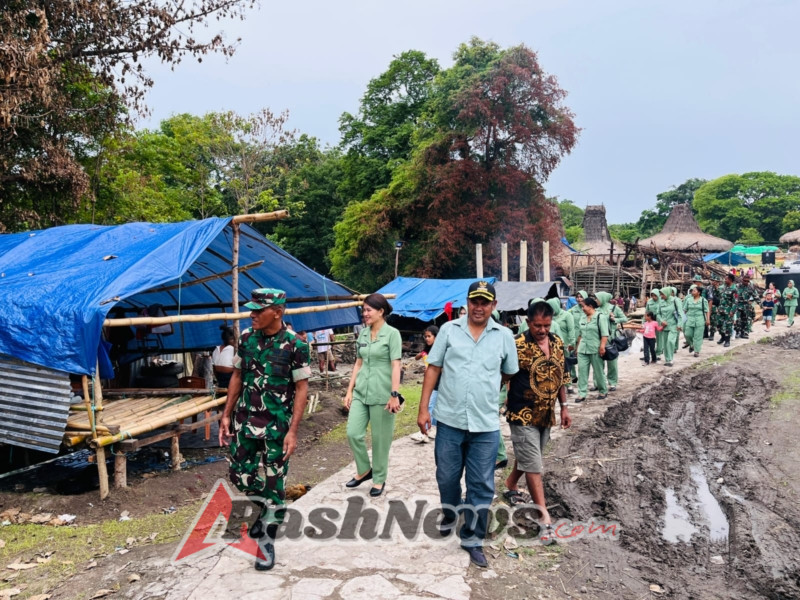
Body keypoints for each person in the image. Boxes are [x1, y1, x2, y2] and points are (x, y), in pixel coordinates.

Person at [417, 280, 518, 569]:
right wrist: (424, 409)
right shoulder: (449, 331)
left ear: (494, 306)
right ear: (467, 302)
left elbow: (509, 372)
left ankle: (472, 538)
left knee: (482, 485)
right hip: (449, 420)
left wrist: (486, 389)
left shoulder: (504, 336)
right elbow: (434, 368)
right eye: (475, 301)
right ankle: (450, 512)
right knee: (447, 477)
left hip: (485, 424)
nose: (479, 307)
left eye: (485, 302)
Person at [218, 288, 311, 571]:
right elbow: (237, 375)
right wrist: (226, 415)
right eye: (252, 309)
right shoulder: (246, 338)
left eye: (259, 310)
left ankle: (267, 542)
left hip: (277, 428)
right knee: (239, 474)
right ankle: (269, 506)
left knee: (275, 484)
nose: (252, 314)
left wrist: (293, 431)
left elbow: (301, 389)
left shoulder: (296, 345)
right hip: (245, 423)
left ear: (278, 312)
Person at [503, 301, 572, 545]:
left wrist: (564, 407)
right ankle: (545, 519)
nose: (542, 330)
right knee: (534, 465)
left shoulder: (556, 342)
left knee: (532, 455)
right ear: (528, 322)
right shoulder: (517, 345)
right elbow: (503, 375)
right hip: (522, 413)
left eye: (546, 325)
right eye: (537, 325)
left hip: (546, 414)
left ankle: (511, 484)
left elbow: (562, 376)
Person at [343, 293, 403, 497]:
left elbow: (396, 365)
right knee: (353, 433)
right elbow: (358, 363)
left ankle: (378, 479)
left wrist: (394, 394)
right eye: (363, 310)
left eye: (368, 310)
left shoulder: (392, 334)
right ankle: (364, 469)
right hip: (361, 391)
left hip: (383, 394)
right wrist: (349, 390)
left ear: (381, 311)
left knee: (380, 439)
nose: (364, 314)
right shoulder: (363, 334)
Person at [575, 297, 609, 402]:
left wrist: (602, 347)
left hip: (596, 348)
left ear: (590, 306)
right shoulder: (582, 318)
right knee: (582, 371)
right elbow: (580, 334)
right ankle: (582, 393)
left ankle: (603, 391)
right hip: (583, 349)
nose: (582, 309)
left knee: (598, 371)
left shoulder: (600, 317)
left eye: (583, 306)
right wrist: (577, 347)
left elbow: (604, 334)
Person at [411, 325, 439, 443]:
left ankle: (425, 432)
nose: (427, 339)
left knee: (430, 406)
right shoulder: (427, 350)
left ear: (436, 337)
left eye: (429, 336)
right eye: (425, 336)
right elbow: (418, 358)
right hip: (433, 382)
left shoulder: (439, 350)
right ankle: (432, 429)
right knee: (434, 406)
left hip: (439, 383)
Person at [595, 292, 628, 391]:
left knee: (612, 362)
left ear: (603, 298)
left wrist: (614, 319)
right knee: (597, 362)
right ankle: (598, 383)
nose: (596, 301)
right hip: (598, 338)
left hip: (611, 338)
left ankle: (612, 382)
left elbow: (624, 319)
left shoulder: (614, 308)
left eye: (597, 299)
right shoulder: (596, 309)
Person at [657, 287, 683, 367]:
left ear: (667, 293)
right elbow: (658, 314)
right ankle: (667, 359)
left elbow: (680, 313)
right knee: (665, 343)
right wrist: (661, 321)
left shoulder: (675, 300)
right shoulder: (661, 302)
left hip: (673, 325)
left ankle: (671, 359)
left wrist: (679, 324)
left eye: (662, 294)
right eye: (660, 294)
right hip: (665, 326)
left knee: (670, 341)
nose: (661, 296)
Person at [682, 285, 710, 357]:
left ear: (699, 292)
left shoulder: (703, 300)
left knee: (698, 336)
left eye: (694, 291)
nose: (692, 292)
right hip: (689, 319)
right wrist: (682, 319)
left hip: (699, 320)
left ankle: (697, 351)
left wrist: (708, 319)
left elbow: (707, 311)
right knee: (687, 334)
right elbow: (684, 310)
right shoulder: (688, 300)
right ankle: (691, 345)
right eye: (692, 291)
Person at [716, 273, 738, 347]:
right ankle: (722, 336)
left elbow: (735, 301)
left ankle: (727, 340)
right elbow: (719, 298)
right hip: (721, 309)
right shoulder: (722, 287)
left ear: (730, 280)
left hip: (729, 310)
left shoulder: (734, 289)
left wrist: (732, 311)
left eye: (726, 279)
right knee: (718, 325)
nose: (725, 280)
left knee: (728, 325)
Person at [735, 274, 758, 339]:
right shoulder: (737, 286)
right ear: (742, 280)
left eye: (748, 281)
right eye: (745, 281)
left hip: (746, 305)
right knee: (738, 320)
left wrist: (761, 305)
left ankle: (744, 333)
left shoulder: (751, 287)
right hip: (738, 305)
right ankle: (737, 332)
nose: (746, 282)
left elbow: (756, 296)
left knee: (746, 320)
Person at [646, 289, 663, 360]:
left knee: (659, 337)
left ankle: (658, 352)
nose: (654, 297)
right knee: (650, 337)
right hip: (651, 322)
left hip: (658, 321)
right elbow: (646, 311)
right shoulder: (649, 302)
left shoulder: (662, 301)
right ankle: (650, 352)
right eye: (652, 295)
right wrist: (644, 321)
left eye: (655, 295)